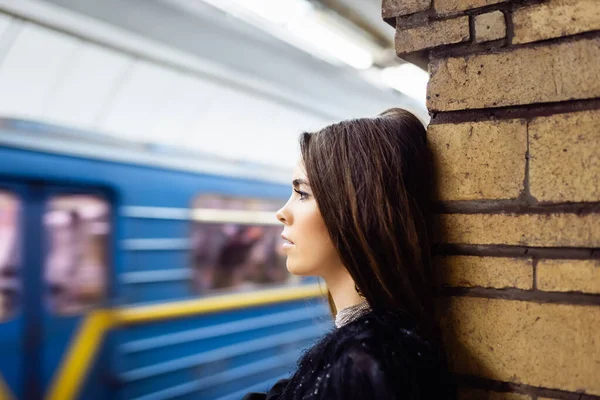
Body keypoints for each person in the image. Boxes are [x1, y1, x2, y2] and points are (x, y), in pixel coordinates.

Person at [243, 108, 456, 399]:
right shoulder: (382, 351)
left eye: (302, 194)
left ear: (356, 211)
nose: (282, 213)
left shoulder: (364, 366)